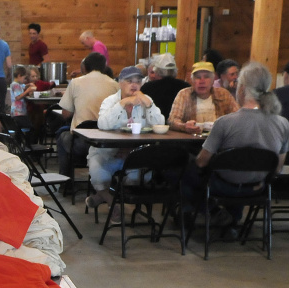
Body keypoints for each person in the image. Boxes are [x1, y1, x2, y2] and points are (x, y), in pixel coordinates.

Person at [182, 61, 289, 228]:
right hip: (258, 186)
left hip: (223, 185)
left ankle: (212, 212)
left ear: (241, 89)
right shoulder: (283, 123)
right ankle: (232, 221)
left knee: (186, 171)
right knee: (240, 168)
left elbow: (202, 162)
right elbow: (277, 167)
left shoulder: (225, 123)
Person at [86, 66, 164, 214]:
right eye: (129, 81)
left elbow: (159, 124)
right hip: (107, 153)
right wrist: (122, 104)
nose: (134, 85)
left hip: (134, 155)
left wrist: (149, 105)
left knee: (141, 177)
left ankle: (102, 197)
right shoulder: (110, 101)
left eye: (138, 81)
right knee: (99, 174)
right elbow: (103, 124)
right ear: (120, 83)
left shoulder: (147, 101)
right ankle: (113, 204)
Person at [56, 52, 117, 176]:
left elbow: (66, 114)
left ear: (85, 67)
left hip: (81, 142)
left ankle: (65, 179)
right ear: (104, 67)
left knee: (62, 137)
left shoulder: (75, 82)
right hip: (108, 143)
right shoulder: (115, 85)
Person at [167, 61, 238, 133]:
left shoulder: (224, 94)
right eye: (198, 77)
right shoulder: (184, 94)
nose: (202, 81)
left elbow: (237, 117)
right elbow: (172, 120)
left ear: (213, 80)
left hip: (219, 140)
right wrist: (184, 126)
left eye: (206, 77)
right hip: (191, 140)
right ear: (192, 80)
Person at [140, 53, 189, 119]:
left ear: (157, 71)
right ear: (175, 71)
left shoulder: (147, 88)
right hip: (179, 127)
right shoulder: (185, 87)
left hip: (153, 126)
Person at [9, 65, 36, 130]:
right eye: (24, 78)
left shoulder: (16, 84)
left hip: (17, 112)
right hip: (18, 112)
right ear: (19, 76)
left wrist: (28, 85)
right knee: (30, 127)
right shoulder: (16, 85)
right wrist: (28, 91)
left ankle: (19, 138)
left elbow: (22, 86)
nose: (24, 80)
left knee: (19, 129)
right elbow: (18, 97)